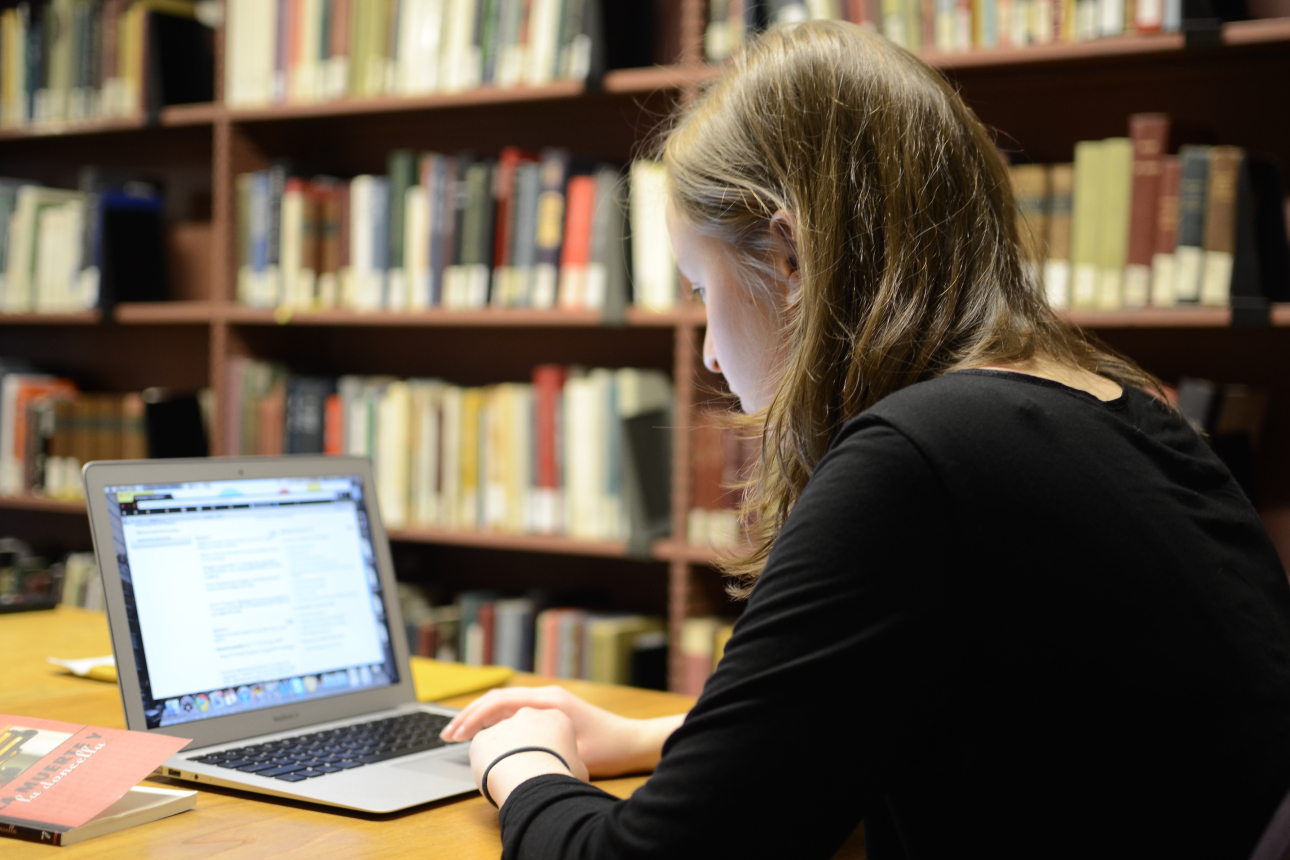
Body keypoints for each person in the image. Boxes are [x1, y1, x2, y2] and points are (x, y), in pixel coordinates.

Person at [438, 20, 1290, 859]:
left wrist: (522, 762)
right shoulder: (1126, 410)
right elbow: (962, 702)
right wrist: (656, 735)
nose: (703, 349)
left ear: (791, 259)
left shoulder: (919, 458)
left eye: (702, 289)